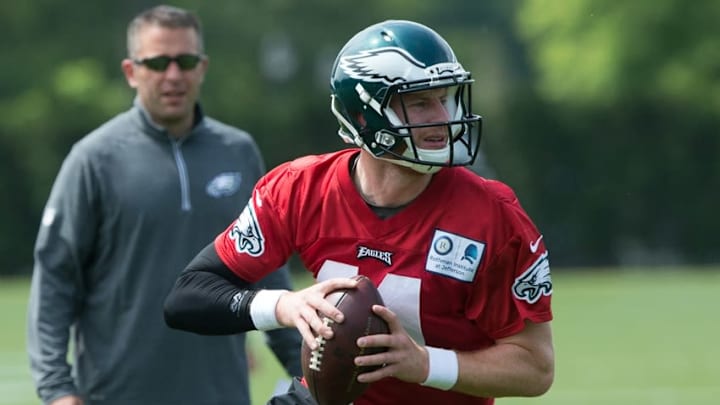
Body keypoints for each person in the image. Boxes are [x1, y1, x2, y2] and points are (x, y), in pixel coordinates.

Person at [164, 19, 554, 405]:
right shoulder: (300, 188)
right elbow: (189, 298)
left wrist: (422, 364)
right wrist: (286, 305)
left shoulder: (492, 216)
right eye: (420, 103)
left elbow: (535, 368)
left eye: (445, 97)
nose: (443, 117)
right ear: (364, 116)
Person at [26, 5, 301, 405]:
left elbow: (270, 277)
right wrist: (57, 390)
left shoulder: (238, 152)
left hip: (221, 394)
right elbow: (55, 279)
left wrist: (306, 368)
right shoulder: (93, 159)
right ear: (131, 71)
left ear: (202, 67)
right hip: (117, 395)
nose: (173, 75)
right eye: (157, 62)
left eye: (185, 61)